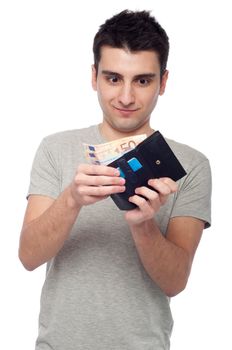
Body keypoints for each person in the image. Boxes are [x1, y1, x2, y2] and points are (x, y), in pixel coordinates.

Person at [19, 9, 212, 350]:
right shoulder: (55, 148)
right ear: (94, 76)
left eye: (142, 80)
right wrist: (71, 200)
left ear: (163, 82)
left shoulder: (192, 165)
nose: (125, 97)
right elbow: (28, 257)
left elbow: (175, 281)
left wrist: (143, 224)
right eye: (113, 79)